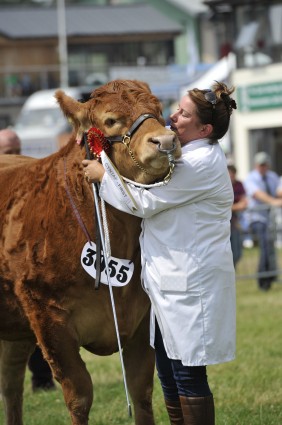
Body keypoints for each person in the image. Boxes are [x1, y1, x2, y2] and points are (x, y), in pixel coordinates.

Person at [82, 81, 237, 424]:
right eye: (177, 108)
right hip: (169, 282)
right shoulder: (186, 154)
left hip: (190, 283)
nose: (173, 117)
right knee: (167, 372)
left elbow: (144, 202)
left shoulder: (201, 163)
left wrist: (102, 174)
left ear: (204, 129)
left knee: (188, 375)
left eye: (183, 114)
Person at [0, 128, 55, 391]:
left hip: (27, 264)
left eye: (16, 150)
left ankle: (42, 381)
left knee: (34, 323)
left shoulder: (31, 176)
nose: (15, 157)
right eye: (8, 153)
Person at [244, 152, 282, 291]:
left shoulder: (272, 176)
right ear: (256, 165)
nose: (263, 167)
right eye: (261, 165)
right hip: (257, 218)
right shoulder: (251, 178)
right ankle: (263, 281)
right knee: (265, 247)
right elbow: (257, 194)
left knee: (270, 249)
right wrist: (273, 202)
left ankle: (271, 276)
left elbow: (278, 191)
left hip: (271, 219)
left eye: (265, 164)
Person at [227, 163, 248, 268]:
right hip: (224, 223)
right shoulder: (222, 185)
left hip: (235, 222)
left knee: (237, 252)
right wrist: (236, 206)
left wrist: (231, 207)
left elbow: (244, 203)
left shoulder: (239, 185)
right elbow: (222, 206)